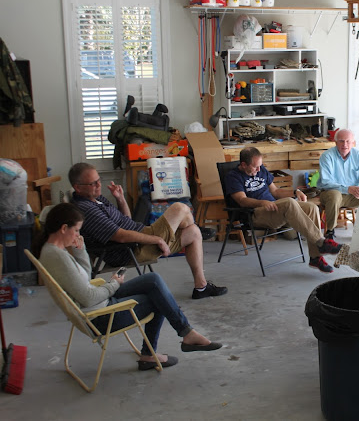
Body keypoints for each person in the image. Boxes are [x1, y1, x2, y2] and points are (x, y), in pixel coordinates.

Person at [33, 203, 222, 371]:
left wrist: (80, 251)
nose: (78, 235)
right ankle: (157, 351)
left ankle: (186, 333)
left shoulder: (53, 250)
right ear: (64, 228)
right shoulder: (57, 257)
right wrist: (113, 284)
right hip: (99, 317)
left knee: (153, 280)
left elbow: (84, 278)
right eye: (76, 231)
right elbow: (88, 298)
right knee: (158, 300)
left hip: (98, 303)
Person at [69, 162, 227, 300]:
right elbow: (120, 236)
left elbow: (127, 220)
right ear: (78, 187)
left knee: (193, 232)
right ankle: (192, 227)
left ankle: (201, 287)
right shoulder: (86, 209)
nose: (99, 185)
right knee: (180, 208)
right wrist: (158, 240)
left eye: (99, 180)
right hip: (132, 250)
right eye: (93, 183)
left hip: (139, 238)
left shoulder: (96, 198)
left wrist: (120, 199)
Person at [225, 147, 342, 273]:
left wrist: (295, 192)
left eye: (260, 166)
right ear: (243, 165)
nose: (259, 169)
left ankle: (315, 258)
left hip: (275, 208)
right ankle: (321, 242)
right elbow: (242, 200)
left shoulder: (261, 170)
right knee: (289, 203)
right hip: (255, 214)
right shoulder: (233, 177)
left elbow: (275, 191)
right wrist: (262, 203)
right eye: (255, 167)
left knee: (311, 207)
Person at [317, 129, 359, 240]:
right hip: (330, 194)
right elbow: (326, 182)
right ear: (335, 142)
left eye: (348, 141)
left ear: (353, 143)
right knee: (334, 195)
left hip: (353, 195)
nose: (345, 144)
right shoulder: (327, 156)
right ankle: (330, 232)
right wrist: (347, 189)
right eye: (341, 141)